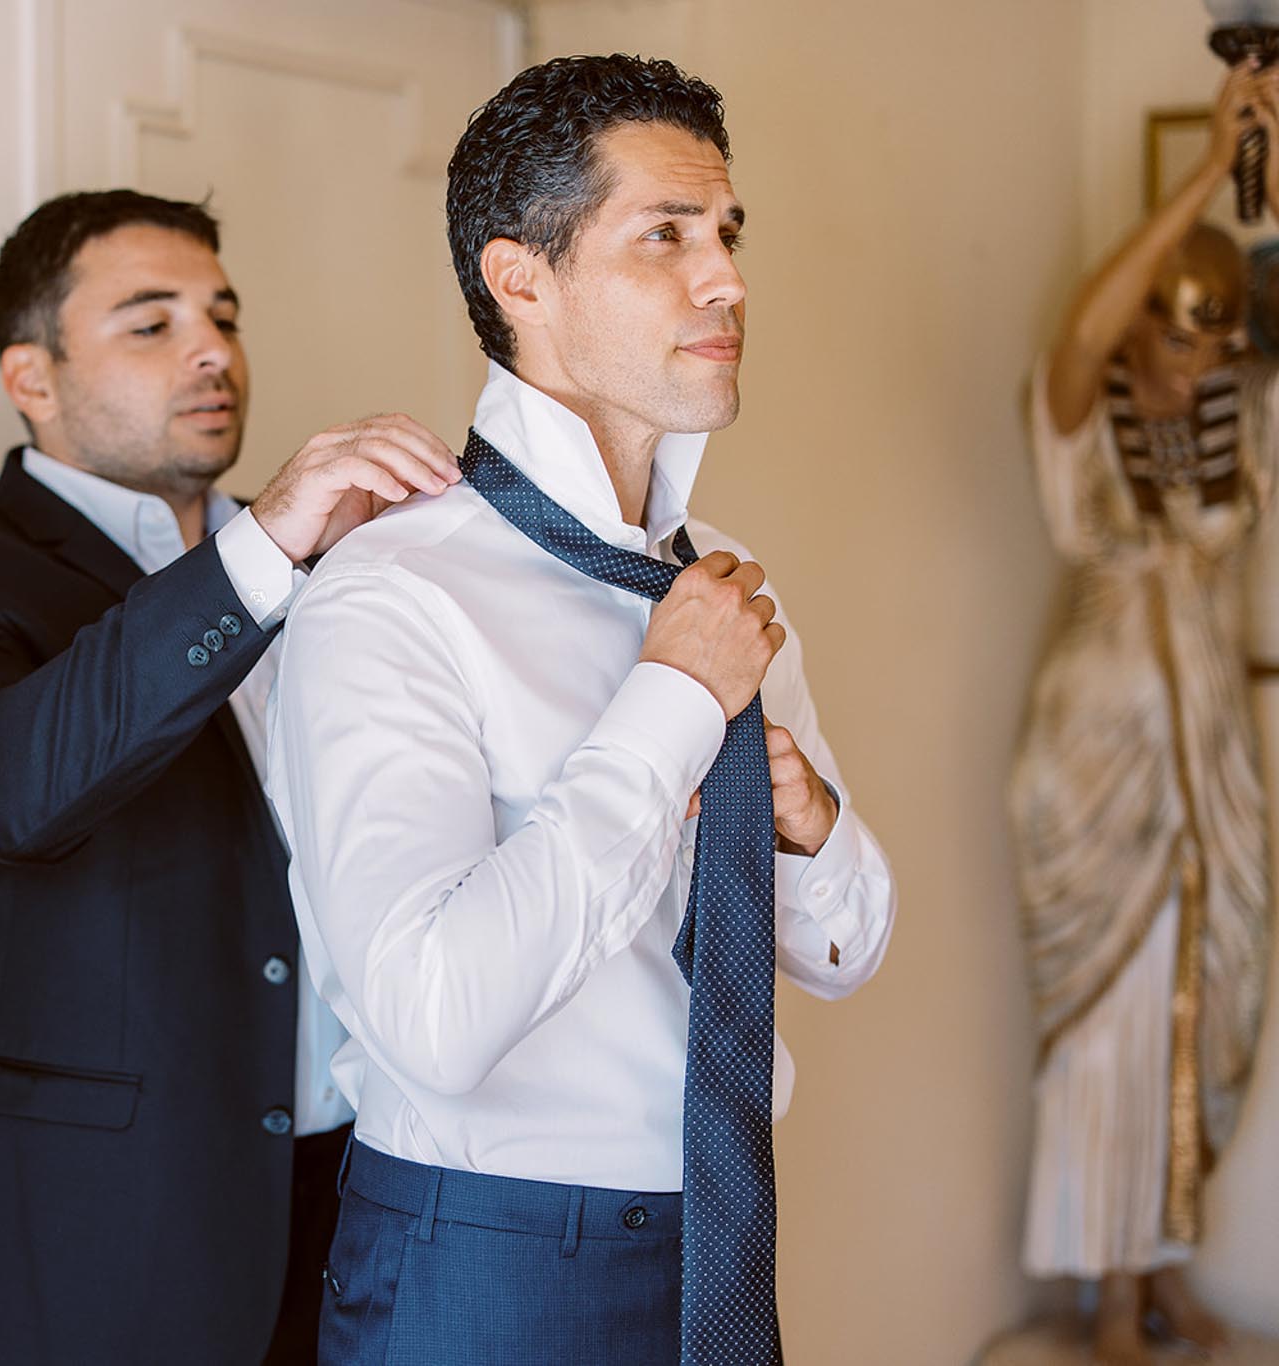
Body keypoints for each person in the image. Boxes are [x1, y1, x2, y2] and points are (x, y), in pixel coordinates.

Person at [265, 55, 896, 1363]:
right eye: (664, 235)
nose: (725, 280)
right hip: (483, 1266)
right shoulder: (393, 593)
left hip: (714, 1243)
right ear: (521, 279)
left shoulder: (717, 581)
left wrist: (807, 823)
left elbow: (843, 950)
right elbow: (436, 1015)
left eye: (726, 234)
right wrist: (670, 704)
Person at [0, 189, 460, 1364]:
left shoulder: (346, 568)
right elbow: (5, 788)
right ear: (31, 375)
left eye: (222, 315)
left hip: (363, 1220)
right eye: (151, 322)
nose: (211, 349)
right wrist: (259, 549)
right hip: (88, 1249)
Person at [1012, 60, 1279, 1366]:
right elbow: (1079, 336)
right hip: (1098, 757)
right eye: (1176, 337)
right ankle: (1108, 1296)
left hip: (1210, 747)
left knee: (1204, 999)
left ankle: (1162, 1267)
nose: (1196, 364)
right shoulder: (1079, 415)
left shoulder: (1240, 416)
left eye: (1215, 344)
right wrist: (1206, 174)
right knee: (1111, 1025)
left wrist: (1262, 165)